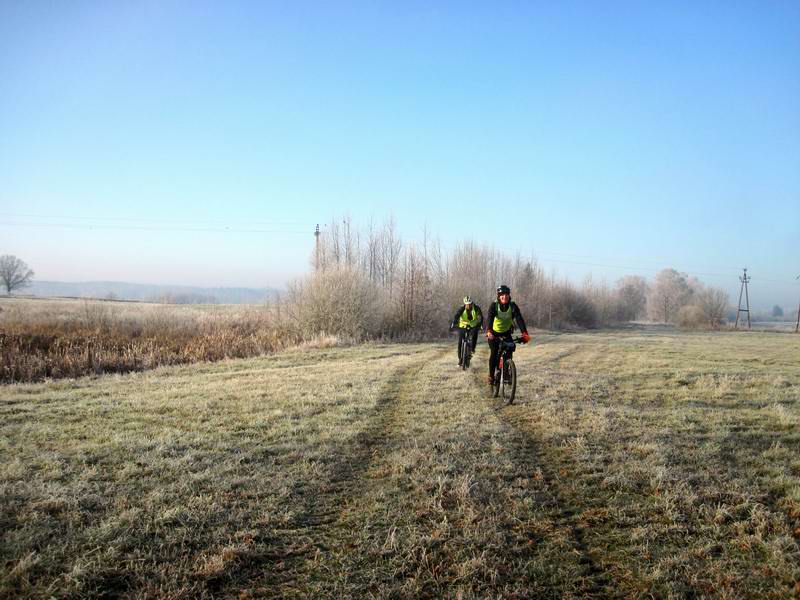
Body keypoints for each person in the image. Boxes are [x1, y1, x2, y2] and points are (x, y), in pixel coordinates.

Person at [485, 285, 530, 384]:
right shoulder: (494, 306)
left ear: (509, 296)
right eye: (502, 295)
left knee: (509, 351)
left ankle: (506, 375)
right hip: (494, 333)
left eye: (506, 295)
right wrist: (488, 331)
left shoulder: (512, 306)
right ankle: (491, 376)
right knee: (494, 352)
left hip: (506, 333)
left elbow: (519, 319)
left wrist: (524, 333)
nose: (504, 297)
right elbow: (490, 318)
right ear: (498, 296)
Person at [450, 295, 483, 365]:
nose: (468, 306)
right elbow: (457, 315)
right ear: (464, 304)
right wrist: (454, 323)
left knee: (474, 334)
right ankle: (460, 359)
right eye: (466, 304)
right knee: (460, 341)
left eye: (469, 304)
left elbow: (480, 316)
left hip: (473, 325)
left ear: (472, 303)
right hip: (463, 325)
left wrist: (480, 324)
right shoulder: (462, 308)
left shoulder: (476, 308)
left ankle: (472, 349)